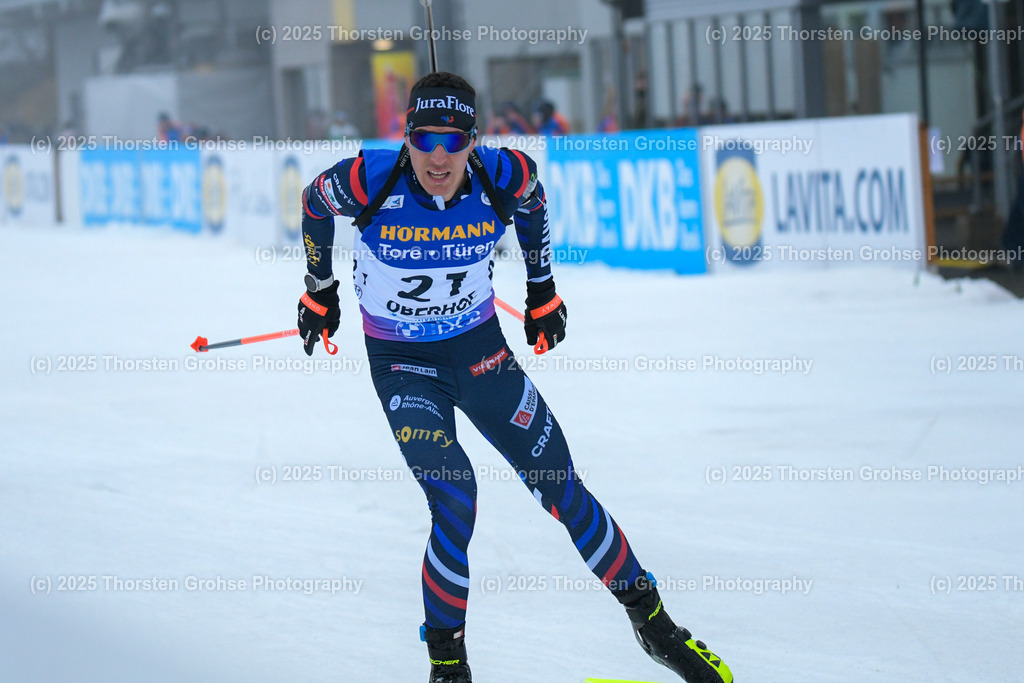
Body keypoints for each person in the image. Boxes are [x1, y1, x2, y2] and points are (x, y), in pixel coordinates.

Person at [297, 71, 733, 683]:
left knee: (560, 483)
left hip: (480, 353)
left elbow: (535, 204)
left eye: (454, 141)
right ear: (407, 138)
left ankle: (655, 627)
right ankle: (448, 667)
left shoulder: (504, 175)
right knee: (455, 496)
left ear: (475, 140)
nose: (439, 157)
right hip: (403, 364)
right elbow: (314, 202)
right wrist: (319, 290)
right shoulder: (370, 176)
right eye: (425, 140)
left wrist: (542, 290)